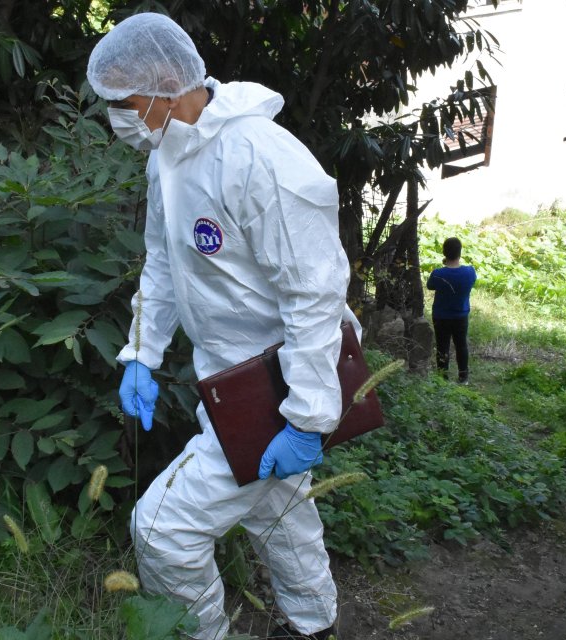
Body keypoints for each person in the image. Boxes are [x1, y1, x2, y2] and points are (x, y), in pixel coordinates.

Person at [88, 13, 352, 640]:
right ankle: (315, 626)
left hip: (275, 389)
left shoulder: (259, 157)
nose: (116, 119)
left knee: (160, 531)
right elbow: (163, 260)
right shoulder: (169, 157)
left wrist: (310, 415)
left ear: (167, 89)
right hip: (229, 382)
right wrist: (142, 354)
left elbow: (313, 293)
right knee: (282, 516)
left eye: (123, 104)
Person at [426, 237, 477, 384]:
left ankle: (442, 378)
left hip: (441, 316)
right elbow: (472, 281)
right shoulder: (469, 272)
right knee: (461, 345)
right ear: (460, 253)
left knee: (442, 347)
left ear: (444, 253)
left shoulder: (438, 274)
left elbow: (430, 286)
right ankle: (463, 377)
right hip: (461, 315)